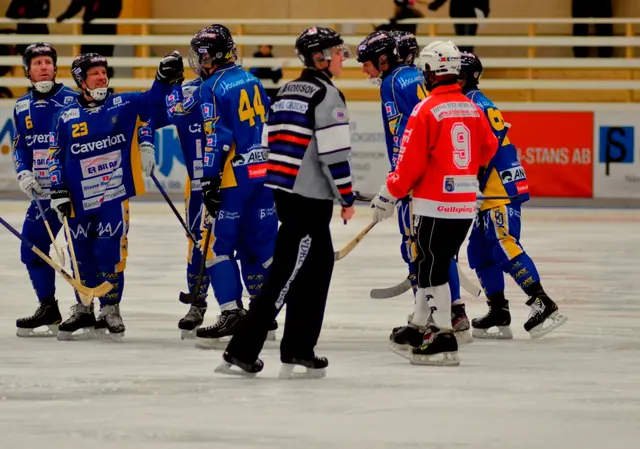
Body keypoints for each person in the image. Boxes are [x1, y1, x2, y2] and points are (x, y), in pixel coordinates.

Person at [217, 26, 356, 378]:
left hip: (286, 194)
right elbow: (334, 154)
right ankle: (242, 350)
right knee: (284, 277)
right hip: (308, 201)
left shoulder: (288, 89)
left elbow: (274, 142)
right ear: (319, 57)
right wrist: (347, 196)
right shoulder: (327, 94)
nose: (342, 57)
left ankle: (299, 348)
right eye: (337, 51)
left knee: (318, 269)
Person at [371, 41, 497, 366]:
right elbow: (488, 148)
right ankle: (417, 325)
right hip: (465, 202)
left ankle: (441, 334)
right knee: (436, 260)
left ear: (428, 71)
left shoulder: (425, 110)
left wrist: (389, 194)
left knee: (429, 265)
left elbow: (409, 163)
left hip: (433, 203)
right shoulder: (471, 107)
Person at [357, 30, 470, 347]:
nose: (364, 71)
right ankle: (447, 311)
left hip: (421, 183)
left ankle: (438, 319)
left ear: (382, 60)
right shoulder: (416, 79)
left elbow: (407, 138)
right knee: (438, 249)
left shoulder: (394, 82)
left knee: (420, 249)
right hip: (446, 179)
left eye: (366, 63)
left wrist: (397, 184)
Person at [169, 25, 278, 348]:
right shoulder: (253, 79)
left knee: (216, 248)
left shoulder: (211, 86)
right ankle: (264, 313)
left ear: (209, 56)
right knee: (259, 244)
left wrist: (210, 181)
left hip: (232, 179)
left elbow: (217, 136)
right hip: (263, 172)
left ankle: (231, 311)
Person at [48, 53, 159, 341]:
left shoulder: (122, 103)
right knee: (80, 254)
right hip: (78, 199)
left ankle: (110, 309)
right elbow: (55, 155)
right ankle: (84, 308)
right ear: (80, 81)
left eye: (103, 72)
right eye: (94, 73)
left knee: (108, 253)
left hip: (113, 195)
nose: (101, 77)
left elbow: (153, 103)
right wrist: (57, 189)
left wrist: (162, 76)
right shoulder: (66, 115)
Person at [459, 52, 568, 340]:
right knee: (479, 251)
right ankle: (498, 309)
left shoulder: (472, 104)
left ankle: (541, 301)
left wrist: (466, 182)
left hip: (497, 187)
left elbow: (486, 148)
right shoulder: (474, 101)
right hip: (493, 186)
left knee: (503, 246)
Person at [13, 43, 79, 337]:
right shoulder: (21, 106)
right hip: (42, 193)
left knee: (84, 251)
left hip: (74, 192)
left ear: (55, 68)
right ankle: (48, 306)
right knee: (31, 247)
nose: (43, 67)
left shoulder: (73, 100)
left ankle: (93, 309)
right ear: (28, 71)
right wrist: (23, 171)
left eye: (48, 62)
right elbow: (21, 146)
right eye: (37, 63)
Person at [56, 0, 123, 77]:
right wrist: (65, 15)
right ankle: (87, 86)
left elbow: (116, 10)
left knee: (104, 60)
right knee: (86, 61)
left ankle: (108, 87)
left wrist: (96, 16)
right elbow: (77, 4)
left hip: (105, 33)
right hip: (88, 31)